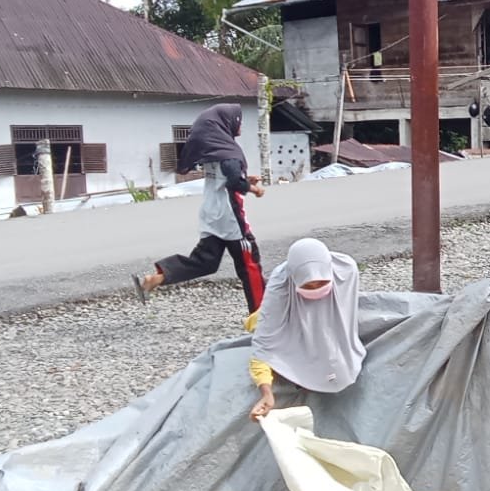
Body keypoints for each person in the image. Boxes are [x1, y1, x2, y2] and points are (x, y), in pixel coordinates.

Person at [132, 104, 266, 313]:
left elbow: (223, 178)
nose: (239, 126)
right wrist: (254, 189)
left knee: (205, 262)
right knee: (250, 266)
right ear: (226, 123)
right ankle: (261, 314)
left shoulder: (212, 150)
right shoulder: (229, 152)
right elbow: (233, 182)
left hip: (211, 215)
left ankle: (156, 278)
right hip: (230, 218)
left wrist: (245, 178)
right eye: (238, 121)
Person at [245, 238, 364, 420]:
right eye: (307, 286)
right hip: (291, 314)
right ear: (294, 280)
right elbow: (264, 344)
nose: (315, 289)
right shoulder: (281, 285)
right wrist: (266, 392)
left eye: (322, 283)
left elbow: (345, 314)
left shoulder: (345, 270)